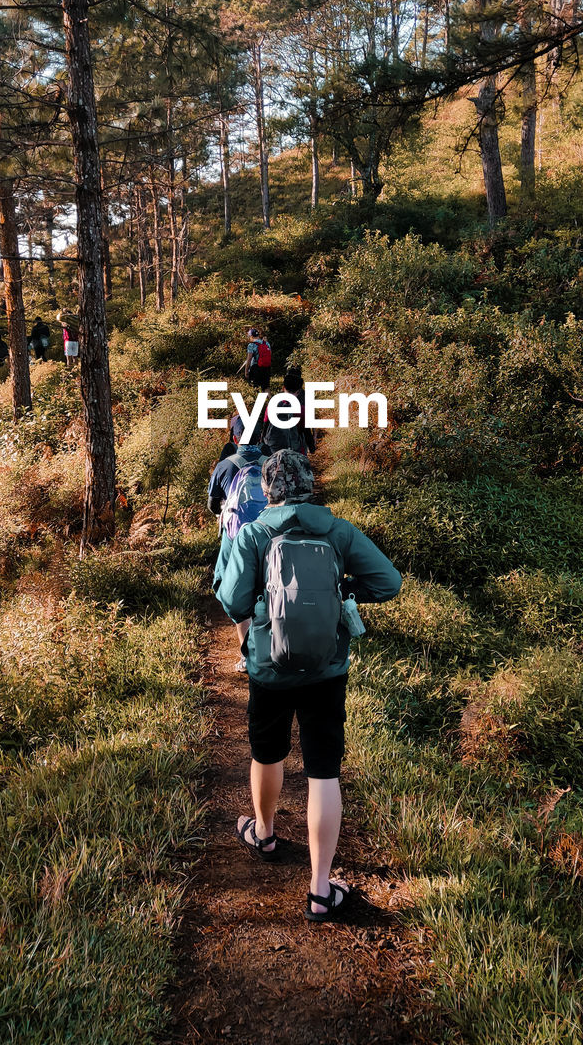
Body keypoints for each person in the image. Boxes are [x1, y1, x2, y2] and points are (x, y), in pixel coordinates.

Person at [216, 450, 402, 922]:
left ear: (270, 490)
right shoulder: (339, 531)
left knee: (268, 752)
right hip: (327, 668)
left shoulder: (256, 533)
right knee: (323, 771)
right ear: (311, 485)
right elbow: (389, 581)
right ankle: (321, 891)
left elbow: (233, 600)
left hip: (268, 668)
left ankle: (265, 832)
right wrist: (342, 593)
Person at [207, 439, 268, 591]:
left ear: (235, 439)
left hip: (236, 527)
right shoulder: (273, 463)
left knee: (225, 572)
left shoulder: (224, 465)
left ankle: (226, 594)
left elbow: (212, 505)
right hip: (268, 527)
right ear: (259, 438)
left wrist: (221, 513)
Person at [260, 365, 315, 456]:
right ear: (298, 391)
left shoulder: (272, 404)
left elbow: (265, 425)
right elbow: (306, 432)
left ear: (283, 388)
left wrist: (262, 442)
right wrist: (312, 447)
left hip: (273, 451)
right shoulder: (301, 410)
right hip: (293, 451)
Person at [240, 327, 271, 391]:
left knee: (255, 387)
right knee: (266, 388)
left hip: (256, 368)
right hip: (266, 368)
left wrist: (246, 371)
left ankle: (255, 399)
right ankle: (269, 400)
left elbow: (249, 359)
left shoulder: (251, 345)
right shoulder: (266, 343)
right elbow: (270, 354)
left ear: (251, 336)